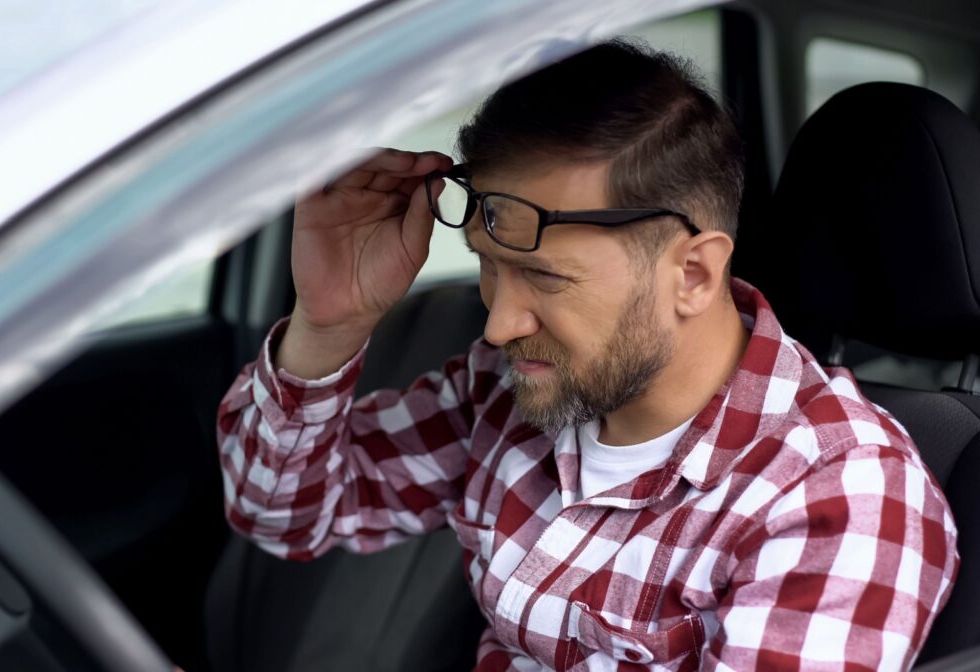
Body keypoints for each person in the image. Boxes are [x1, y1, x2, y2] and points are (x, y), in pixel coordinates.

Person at [217, 40, 957, 670]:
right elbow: (282, 514)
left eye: (543, 277)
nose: (501, 323)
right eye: (487, 264)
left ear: (692, 274)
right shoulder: (506, 390)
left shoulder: (839, 500)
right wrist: (330, 324)